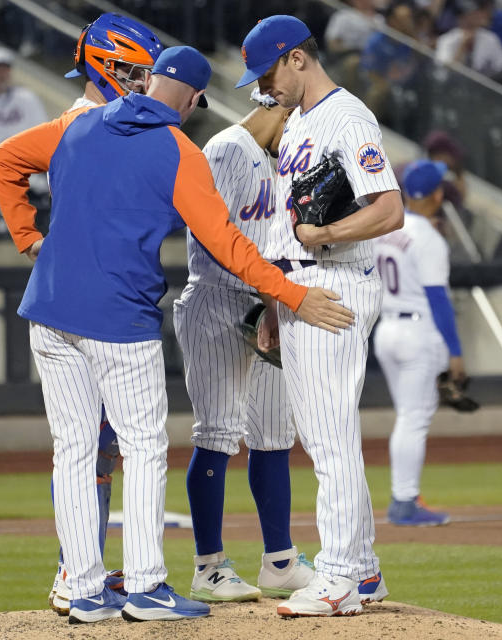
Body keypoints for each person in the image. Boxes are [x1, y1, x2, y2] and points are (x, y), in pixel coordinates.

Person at [0, 44, 353, 623]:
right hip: (117, 321)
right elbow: (229, 246)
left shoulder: (77, 127)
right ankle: (147, 587)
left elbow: (3, 160)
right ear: (193, 99)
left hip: (50, 314)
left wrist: (25, 236)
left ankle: (82, 589)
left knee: (75, 451)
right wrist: (295, 295)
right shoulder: (176, 149)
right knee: (143, 447)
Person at [236, 14, 404, 617]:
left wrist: (326, 232)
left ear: (297, 59)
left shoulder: (346, 117)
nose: (263, 87)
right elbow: (289, 225)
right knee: (324, 437)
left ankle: (337, 578)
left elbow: (389, 210)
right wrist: (279, 298)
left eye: (267, 72)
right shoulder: (301, 119)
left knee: (331, 441)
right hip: (301, 286)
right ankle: (361, 570)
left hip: (334, 286)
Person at [172, 89, 315, 604]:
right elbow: (214, 235)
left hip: (268, 304)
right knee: (217, 432)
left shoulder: (284, 162)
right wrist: (266, 299)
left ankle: (280, 561)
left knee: (275, 432)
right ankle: (207, 566)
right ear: (278, 107)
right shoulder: (228, 149)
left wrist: (274, 305)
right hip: (218, 298)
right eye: (297, 117)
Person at [44, 12, 163, 618]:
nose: (141, 83)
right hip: (91, 304)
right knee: (88, 445)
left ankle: (82, 567)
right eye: (131, 71)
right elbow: (3, 160)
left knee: (99, 446)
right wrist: (25, 238)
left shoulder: (105, 123)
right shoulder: (82, 125)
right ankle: (73, 571)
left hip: (82, 294)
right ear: (102, 66)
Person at [373, 160, 464, 527]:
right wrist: (456, 352)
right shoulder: (429, 238)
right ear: (438, 195)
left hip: (387, 329)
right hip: (417, 333)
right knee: (413, 419)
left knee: (407, 417)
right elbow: (439, 300)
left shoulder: (386, 226)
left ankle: (406, 493)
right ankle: (404, 501)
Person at [435, 0, 502, 78]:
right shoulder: (447, 40)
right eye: (470, 14)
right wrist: (462, 47)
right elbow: (444, 74)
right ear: (462, 17)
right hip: (452, 86)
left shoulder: (490, 38)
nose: (475, 16)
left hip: (480, 87)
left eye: (476, 12)